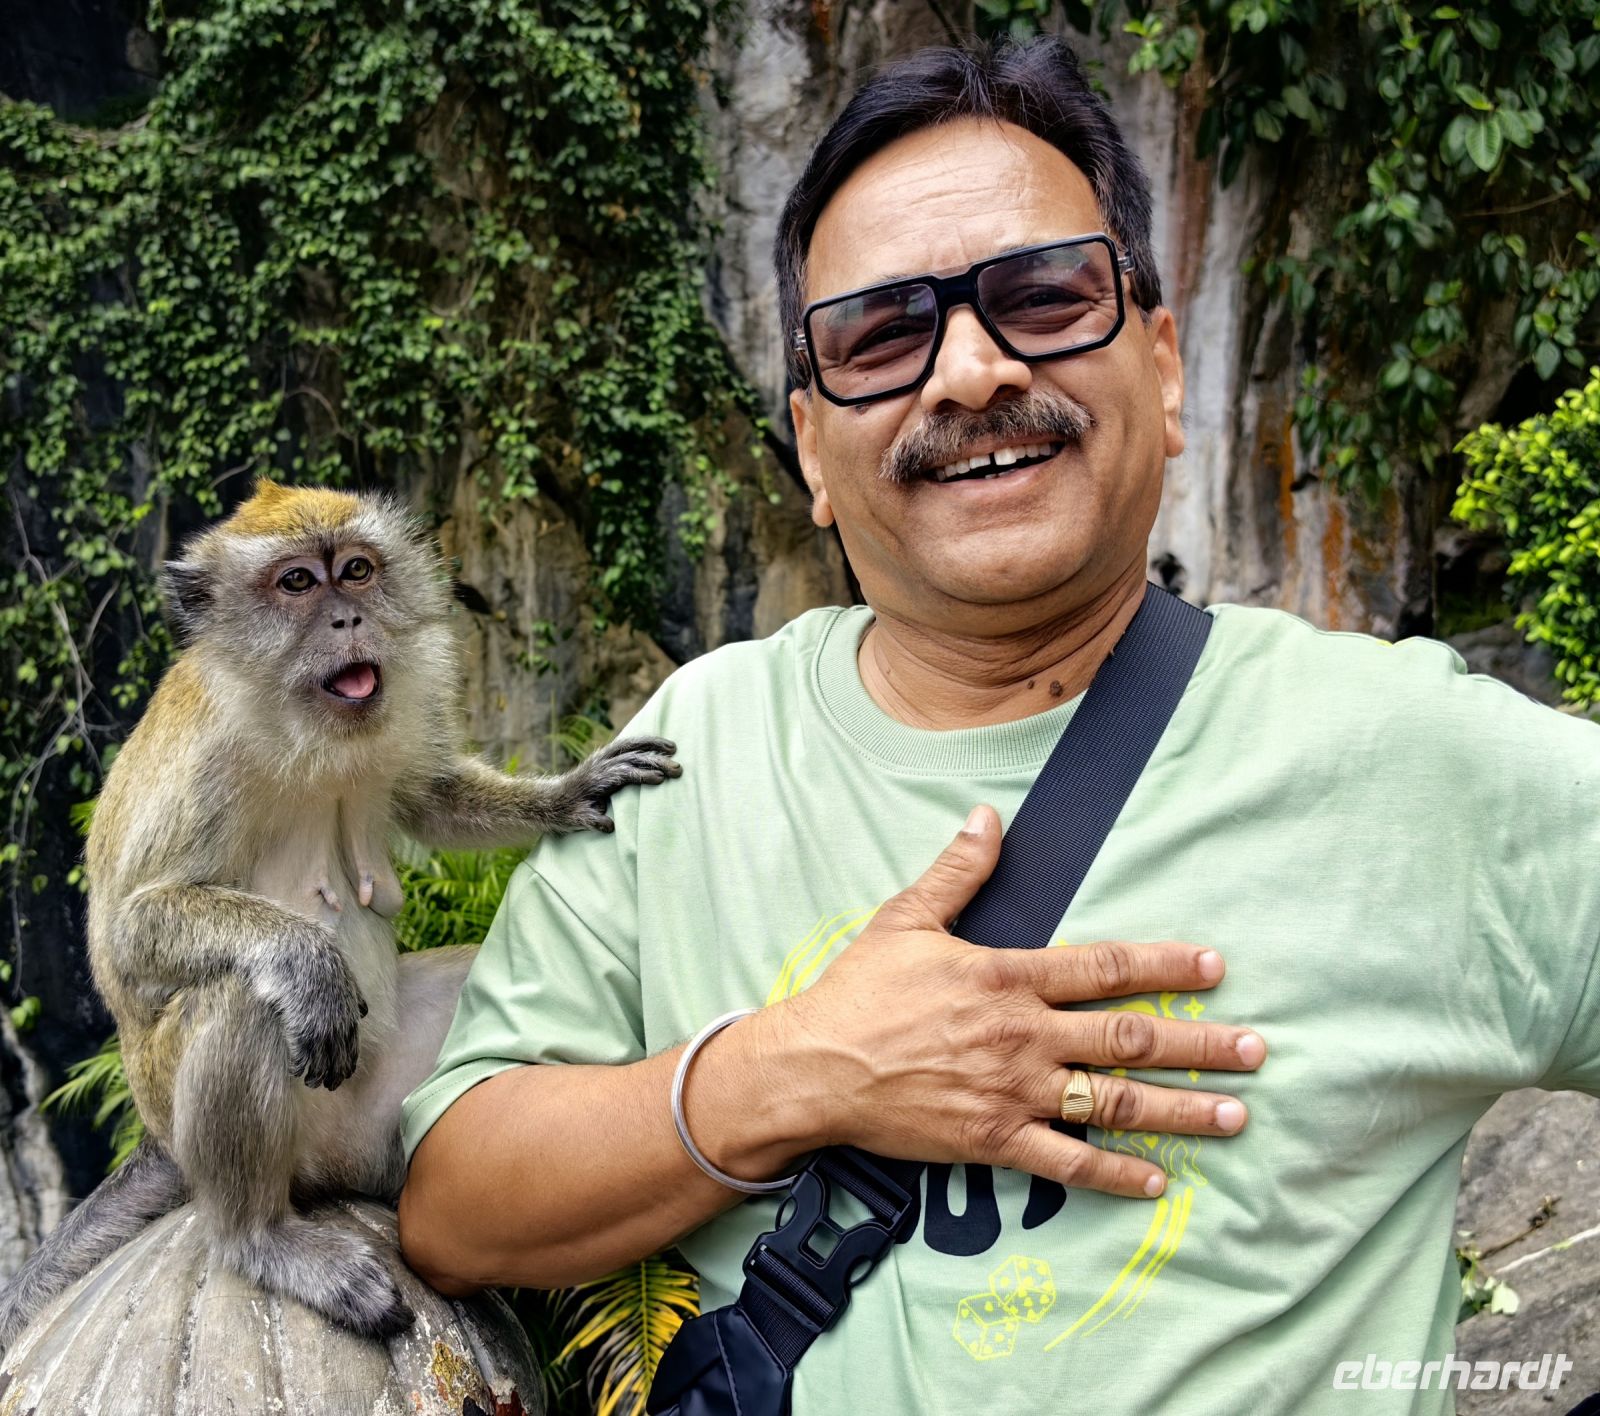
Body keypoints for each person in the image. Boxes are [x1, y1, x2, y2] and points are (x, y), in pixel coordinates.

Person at [397, 37, 1600, 1414]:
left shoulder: (1408, 758)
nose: (969, 371)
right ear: (812, 448)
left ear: (1162, 369)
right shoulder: (700, 749)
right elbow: (458, 1202)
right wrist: (800, 1069)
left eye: (1043, 297)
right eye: (881, 334)